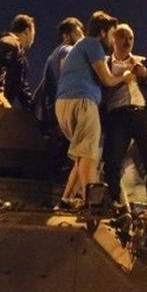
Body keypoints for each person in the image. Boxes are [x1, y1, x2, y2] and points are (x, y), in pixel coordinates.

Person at [55, 11, 135, 207]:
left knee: (81, 156)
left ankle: (66, 199)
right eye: (111, 34)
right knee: (90, 156)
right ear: (102, 32)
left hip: (63, 105)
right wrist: (124, 76)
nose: (112, 38)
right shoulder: (93, 44)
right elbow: (107, 79)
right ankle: (93, 204)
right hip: (82, 102)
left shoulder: (78, 47)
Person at [101, 23, 147, 208]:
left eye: (131, 38)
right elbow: (102, 92)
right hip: (118, 115)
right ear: (113, 40)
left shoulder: (142, 61)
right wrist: (122, 78)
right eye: (123, 37)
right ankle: (115, 203)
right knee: (112, 161)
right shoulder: (105, 64)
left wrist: (144, 76)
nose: (128, 41)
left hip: (142, 114)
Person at [34, 17, 84, 182]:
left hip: (54, 113)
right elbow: (68, 78)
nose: (82, 36)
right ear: (66, 35)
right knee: (70, 157)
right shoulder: (68, 51)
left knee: (57, 157)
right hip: (66, 111)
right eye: (78, 32)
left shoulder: (52, 56)